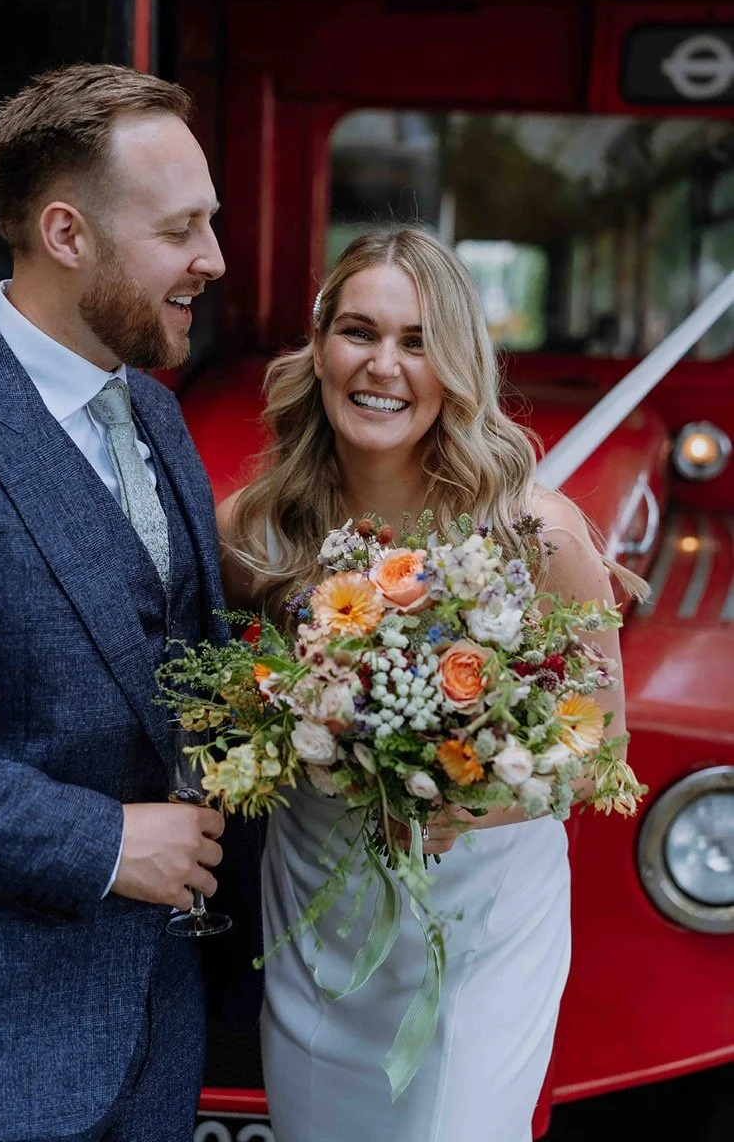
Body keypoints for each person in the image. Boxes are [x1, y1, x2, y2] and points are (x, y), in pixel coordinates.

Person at [0, 64, 262, 1142]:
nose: (214, 261)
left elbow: (175, 668)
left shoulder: (154, 409)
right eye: (181, 228)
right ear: (65, 233)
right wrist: (99, 841)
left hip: (155, 1033)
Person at [217, 228, 641, 1142]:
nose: (384, 365)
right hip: (317, 918)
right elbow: (217, 694)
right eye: (359, 332)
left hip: (484, 921)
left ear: (457, 365)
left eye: (417, 341)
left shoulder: (541, 536)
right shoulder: (257, 534)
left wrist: (469, 803)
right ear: (320, 345)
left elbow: (603, 750)